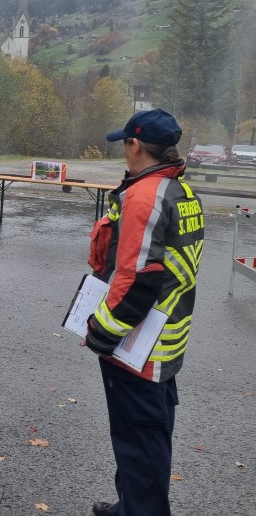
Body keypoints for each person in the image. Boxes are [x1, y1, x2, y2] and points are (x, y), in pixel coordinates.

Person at [85, 108, 204, 516]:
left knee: (139, 442)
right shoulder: (179, 191)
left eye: (124, 143)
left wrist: (102, 329)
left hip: (139, 347)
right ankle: (130, 505)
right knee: (145, 436)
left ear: (135, 145)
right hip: (164, 341)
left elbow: (139, 276)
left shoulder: (144, 196)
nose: (123, 150)